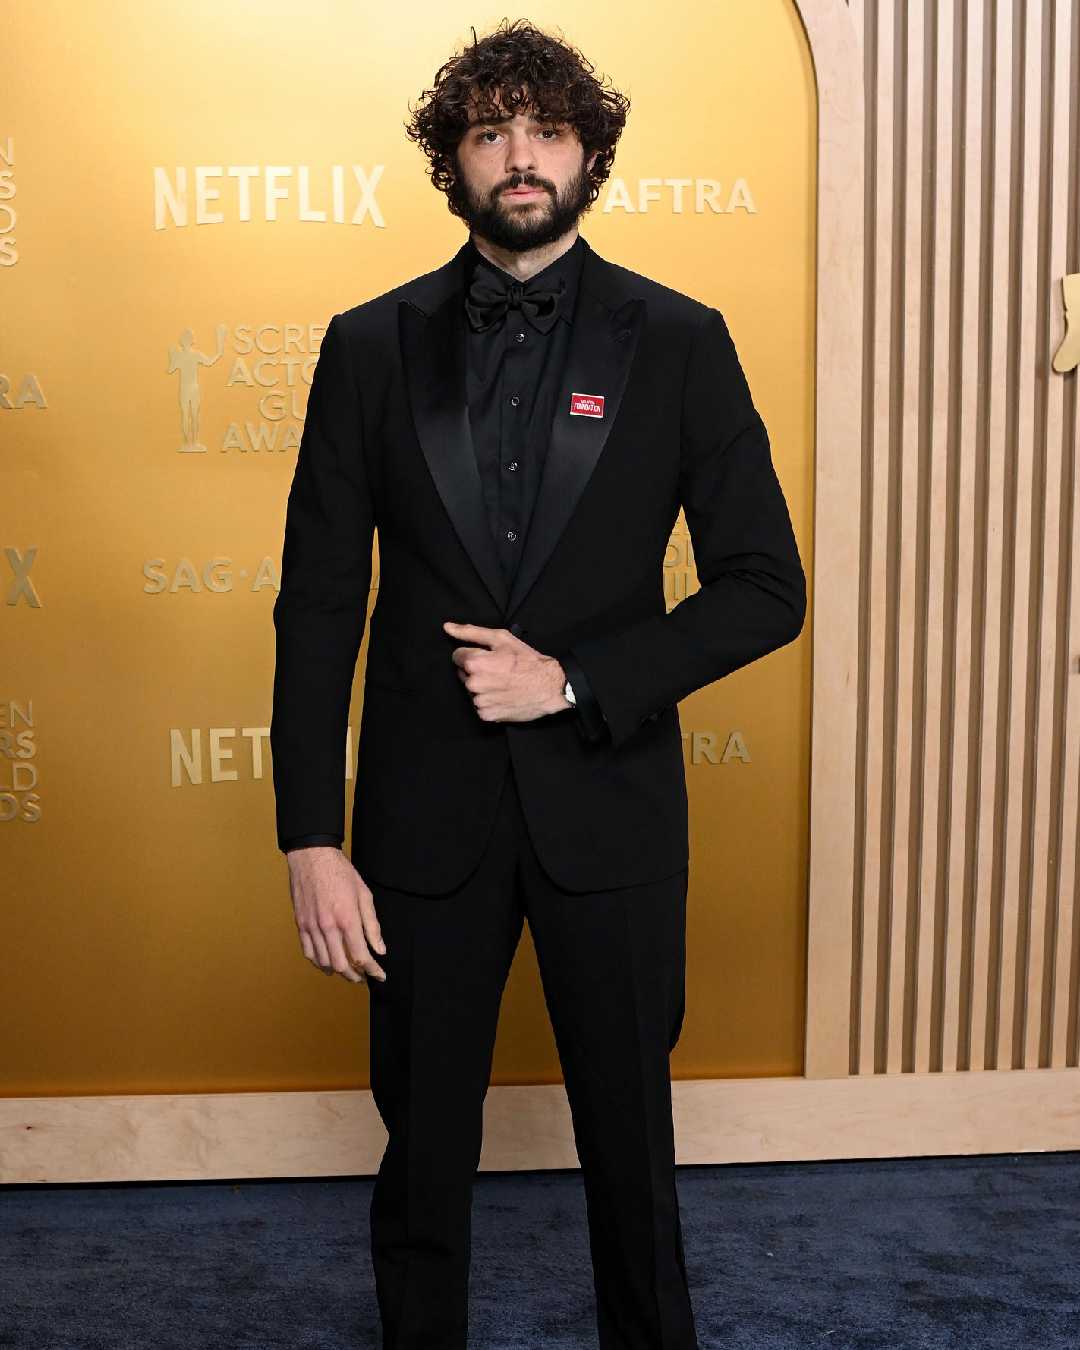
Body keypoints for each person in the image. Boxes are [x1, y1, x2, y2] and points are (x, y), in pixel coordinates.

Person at [269, 18, 806, 1349]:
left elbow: (764, 584)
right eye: (491, 128)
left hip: (608, 805)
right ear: (452, 158)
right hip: (417, 824)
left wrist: (572, 679)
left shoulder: (683, 341)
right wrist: (309, 836)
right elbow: (321, 603)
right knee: (425, 1159)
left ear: (590, 153)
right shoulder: (368, 345)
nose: (520, 155)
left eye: (547, 129)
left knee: (632, 1153)